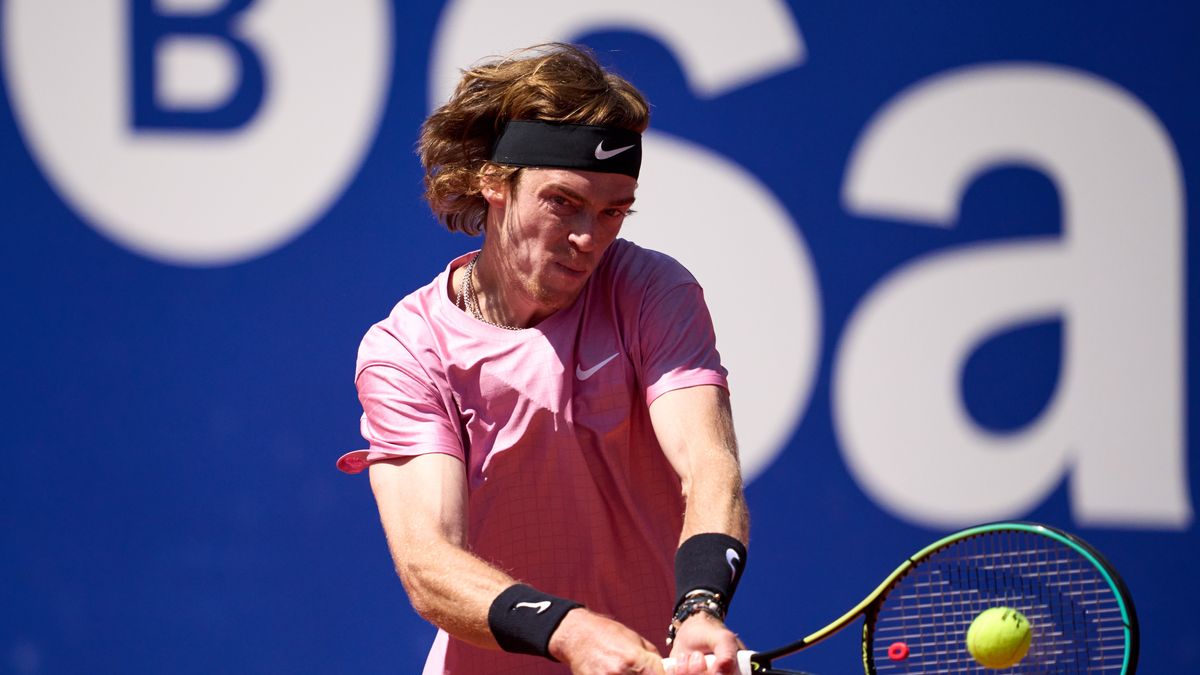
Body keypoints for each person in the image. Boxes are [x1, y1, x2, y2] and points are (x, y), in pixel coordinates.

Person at [337, 43, 750, 675]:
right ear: (494, 181)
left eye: (613, 211)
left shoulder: (653, 293)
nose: (589, 238)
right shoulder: (405, 351)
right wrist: (571, 632)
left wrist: (699, 607)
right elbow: (428, 563)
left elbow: (709, 465)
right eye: (563, 202)